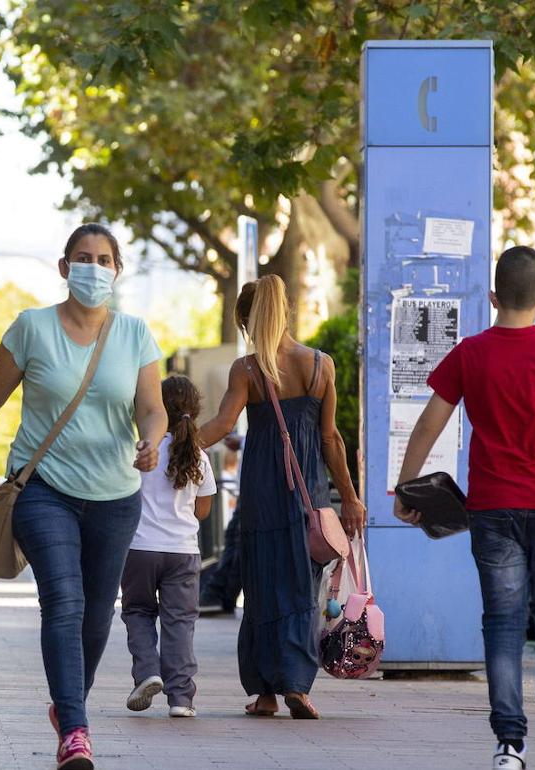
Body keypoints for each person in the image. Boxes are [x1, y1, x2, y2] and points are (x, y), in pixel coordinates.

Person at [0, 223, 166, 770]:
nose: (93, 268)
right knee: (64, 599)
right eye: (83, 257)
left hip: (115, 496)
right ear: (63, 267)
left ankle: (68, 700)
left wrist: (150, 440)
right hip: (44, 488)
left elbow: (152, 406)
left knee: (99, 613)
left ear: (116, 270)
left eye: (104, 259)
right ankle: (76, 730)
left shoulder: (135, 335)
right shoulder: (32, 328)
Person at [395, 246, 535, 770]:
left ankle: (509, 744)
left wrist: (406, 486)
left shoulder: (470, 353)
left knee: (504, 621)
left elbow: (429, 424)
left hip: (493, 506)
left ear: (492, 296)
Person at [199, 274, 366, 720]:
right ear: (286, 311)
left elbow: (221, 424)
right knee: (299, 588)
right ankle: (296, 685)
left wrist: (178, 445)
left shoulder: (247, 369)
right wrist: (348, 498)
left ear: (248, 321)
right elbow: (331, 439)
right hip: (308, 494)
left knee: (260, 588)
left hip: (261, 491)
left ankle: (266, 693)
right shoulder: (320, 365)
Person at [121, 375, 218, 719]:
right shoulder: (199, 456)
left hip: (140, 549)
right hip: (183, 551)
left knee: (138, 612)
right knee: (179, 622)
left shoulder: (141, 451)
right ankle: (181, 699)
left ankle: (147, 671)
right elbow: (203, 509)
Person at [198, 432, 244, 615]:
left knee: (238, 546)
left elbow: (224, 423)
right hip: (246, 492)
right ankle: (219, 595)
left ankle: (217, 594)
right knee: (233, 543)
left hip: (252, 493)